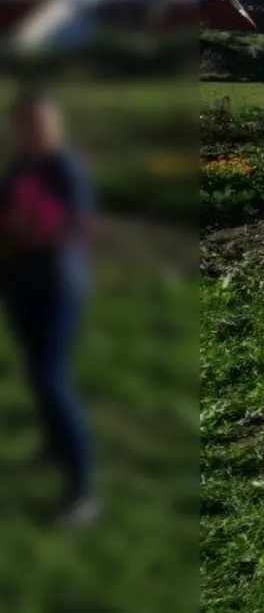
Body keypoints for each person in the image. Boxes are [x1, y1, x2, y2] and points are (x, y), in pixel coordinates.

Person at [0, 90, 98, 526]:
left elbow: (68, 228)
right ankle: (54, 448)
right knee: (37, 373)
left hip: (57, 288)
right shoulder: (19, 167)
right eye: (24, 123)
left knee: (51, 379)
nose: (31, 131)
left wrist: (19, 236)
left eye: (39, 122)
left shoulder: (64, 170)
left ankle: (83, 488)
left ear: (53, 125)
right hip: (19, 285)